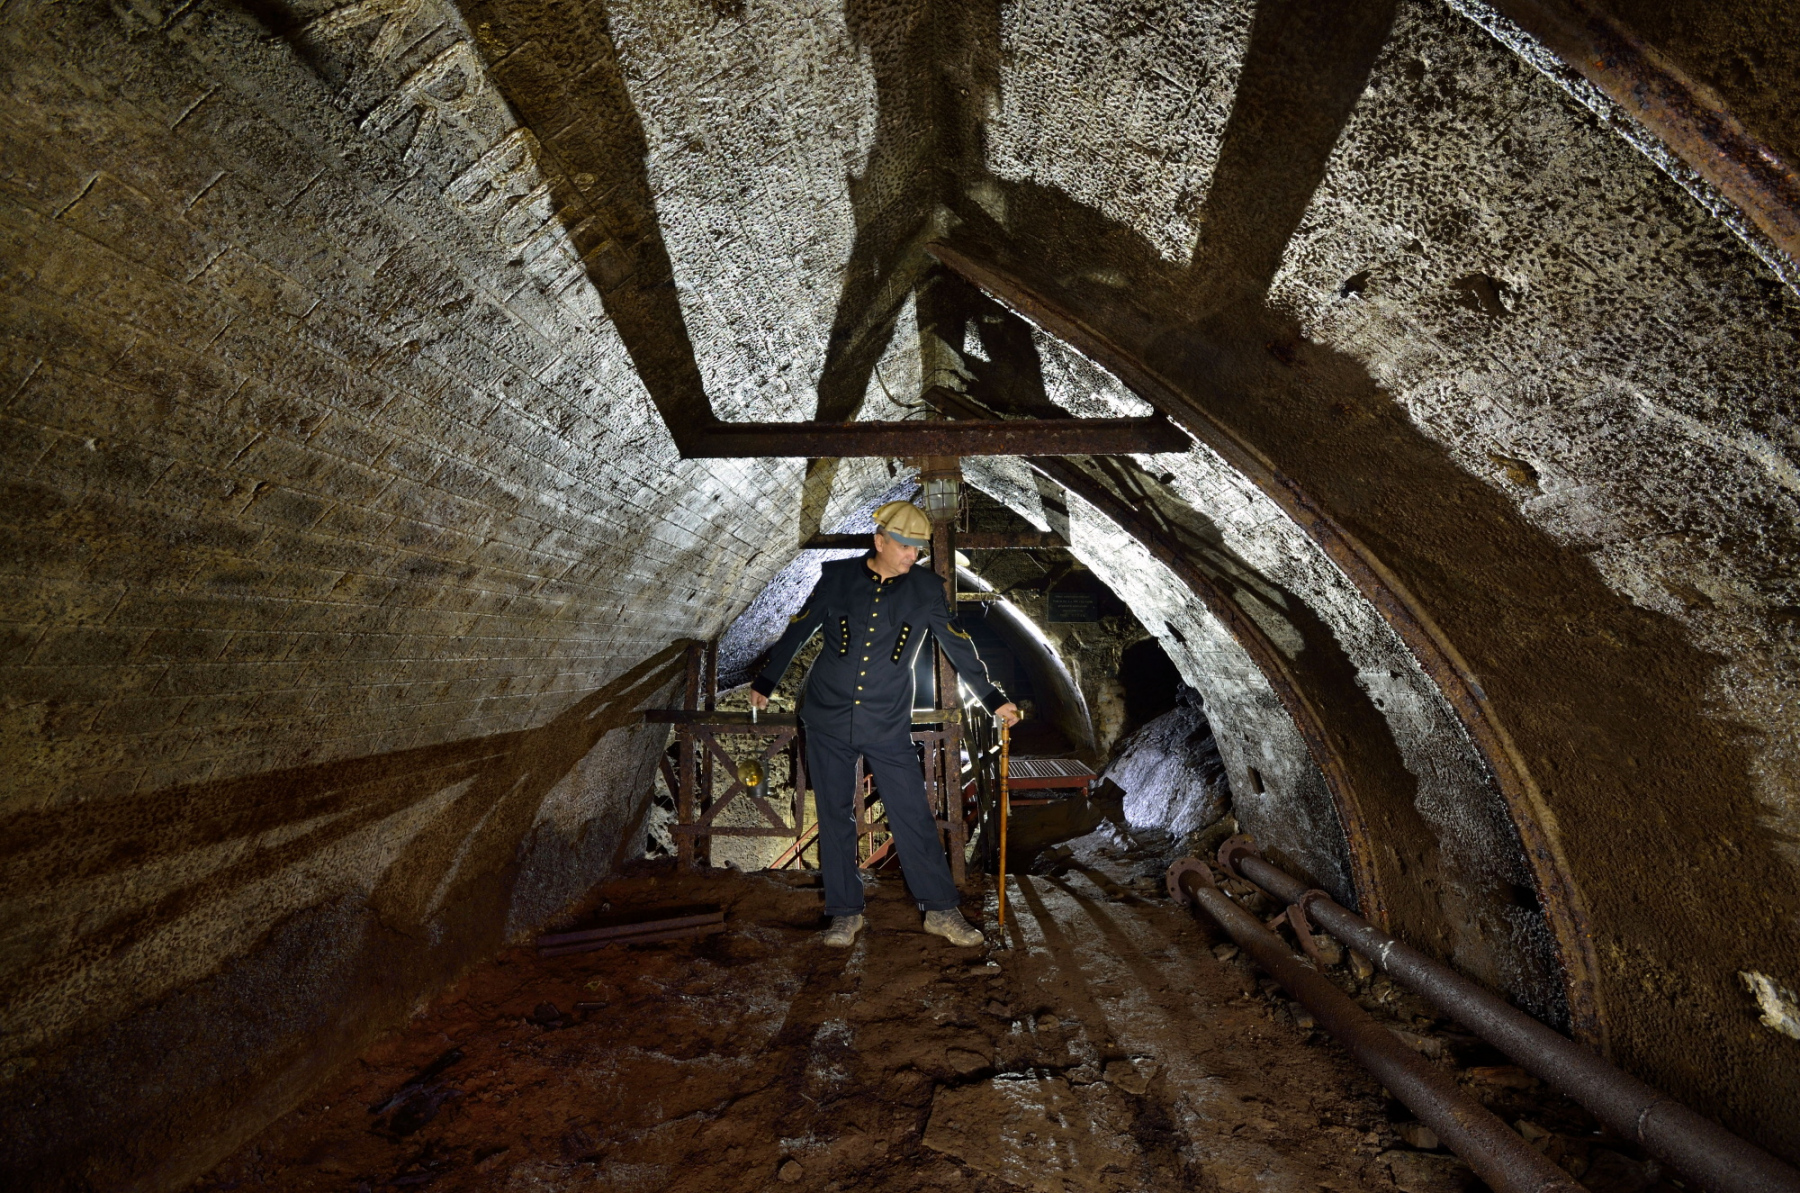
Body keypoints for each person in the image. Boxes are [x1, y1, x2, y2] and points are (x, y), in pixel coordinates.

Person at [750, 500, 1022, 948]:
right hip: (827, 715)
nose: (912, 556)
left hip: (887, 720)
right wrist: (766, 680)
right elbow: (800, 628)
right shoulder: (836, 578)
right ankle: (845, 914)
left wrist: (993, 698)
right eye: (905, 547)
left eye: (917, 550)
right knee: (835, 816)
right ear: (880, 541)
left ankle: (940, 910)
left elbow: (957, 644)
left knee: (912, 813)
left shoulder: (926, 590)